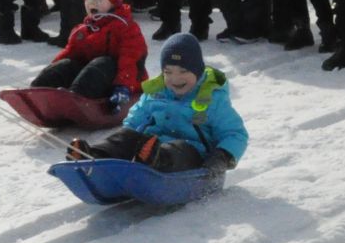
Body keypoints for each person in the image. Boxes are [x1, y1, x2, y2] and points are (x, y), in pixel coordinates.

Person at [67, 32, 246, 175]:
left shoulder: (213, 99)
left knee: (179, 150)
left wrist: (222, 156)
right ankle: (93, 156)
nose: (175, 79)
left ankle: (152, 163)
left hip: (192, 155)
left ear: (198, 72)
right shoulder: (155, 93)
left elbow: (235, 133)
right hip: (148, 146)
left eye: (183, 71)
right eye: (168, 72)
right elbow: (134, 121)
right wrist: (128, 140)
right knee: (125, 137)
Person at [30, 0, 147, 106]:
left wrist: (123, 86)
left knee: (103, 62)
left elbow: (130, 60)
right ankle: (37, 92)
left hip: (122, 83)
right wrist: (52, 71)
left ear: (114, 2)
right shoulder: (83, 30)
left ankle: (76, 99)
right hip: (91, 82)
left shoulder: (126, 28)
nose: (92, 1)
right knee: (67, 63)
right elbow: (68, 55)